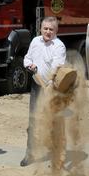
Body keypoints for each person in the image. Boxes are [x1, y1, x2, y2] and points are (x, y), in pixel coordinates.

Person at [20, 16, 66, 167]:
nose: (48, 32)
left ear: (56, 31)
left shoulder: (59, 46)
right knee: (33, 120)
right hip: (36, 86)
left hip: (53, 88)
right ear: (41, 28)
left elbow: (56, 68)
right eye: (45, 28)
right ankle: (30, 154)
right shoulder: (35, 41)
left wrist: (50, 85)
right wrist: (30, 65)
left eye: (51, 29)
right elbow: (27, 59)